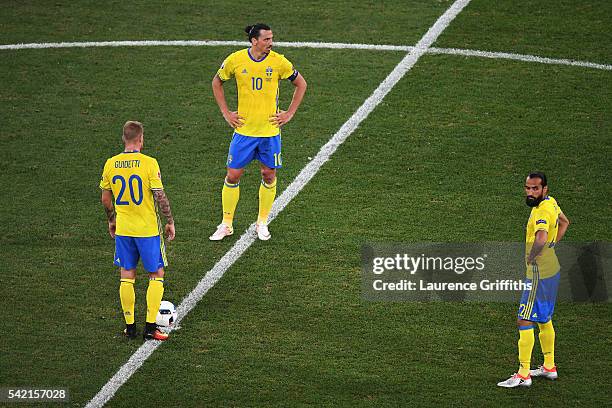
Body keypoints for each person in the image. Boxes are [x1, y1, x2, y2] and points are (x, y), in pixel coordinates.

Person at [209, 23, 307, 241]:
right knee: (233, 175)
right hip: (244, 131)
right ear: (254, 41)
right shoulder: (235, 60)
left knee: (268, 174)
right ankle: (226, 224)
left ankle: (262, 222)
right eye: (266, 39)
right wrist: (226, 113)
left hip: (269, 132)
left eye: (271, 39)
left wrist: (289, 114)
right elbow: (217, 82)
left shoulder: (279, 62)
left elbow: (301, 84)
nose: (270, 43)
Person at [100, 121, 176, 341]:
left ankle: (130, 328)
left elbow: (106, 199)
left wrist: (112, 220)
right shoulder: (149, 163)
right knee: (156, 274)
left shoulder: (111, 164)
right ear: (141, 139)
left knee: (127, 275)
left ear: (124, 139)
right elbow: (160, 195)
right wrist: (169, 221)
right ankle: (151, 328)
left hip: (124, 229)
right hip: (148, 230)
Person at [498, 172, 570, 387]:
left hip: (539, 272)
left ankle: (523, 374)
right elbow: (565, 222)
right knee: (544, 318)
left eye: (535, 189)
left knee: (524, 318)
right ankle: (549, 367)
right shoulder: (552, 203)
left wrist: (532, 256)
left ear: (544, 189)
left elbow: (540, 237)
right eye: (528, 188)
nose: (530, 192)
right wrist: (551, 246)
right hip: (552, 270)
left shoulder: (541, 211)